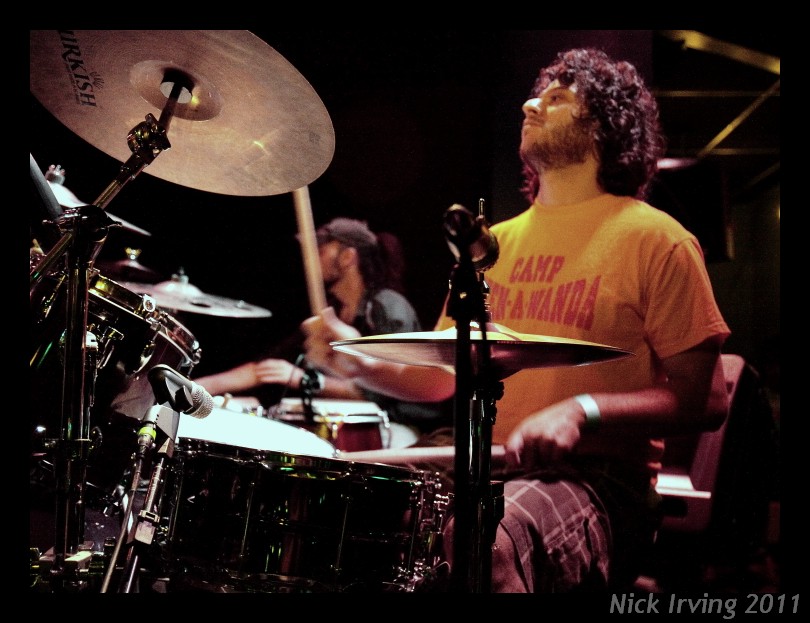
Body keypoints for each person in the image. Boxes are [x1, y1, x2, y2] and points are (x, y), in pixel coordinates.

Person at [300, 47, 731, 592]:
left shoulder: (657, 240)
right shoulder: (493, 246)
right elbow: (441, 377)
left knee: (485, 538)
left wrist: (582, 411)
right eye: (534, 96)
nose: (530, 105)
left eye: (557, 98)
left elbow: (705, 400)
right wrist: (352, 359)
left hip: (599, 477)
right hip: (488, 456)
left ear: (604, 126)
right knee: (345, 503)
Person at [194, 217, 451, 436]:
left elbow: (382, 393)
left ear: (348, 257)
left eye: (321, 250)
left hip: (396, 428)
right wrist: (194, 387)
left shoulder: (386, 306)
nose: (311, 259)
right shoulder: (331, 312)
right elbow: (266, 367)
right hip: (340, 424)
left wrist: (305, 380)